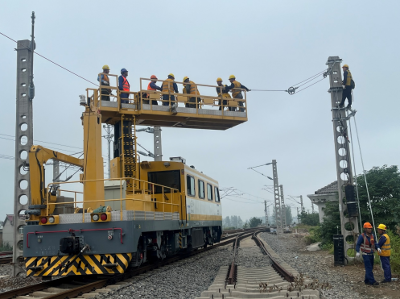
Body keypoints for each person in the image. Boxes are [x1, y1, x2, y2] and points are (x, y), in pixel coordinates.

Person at [356, 222, 379, 286]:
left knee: (370, 268)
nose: (370, 229)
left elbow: (375, 243)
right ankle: (372, 281)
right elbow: (358, 244)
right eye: (369, 228)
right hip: (365, 254)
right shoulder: (362, 236)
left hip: (371, 254)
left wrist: (378, 248)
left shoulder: (372, 236)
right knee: (368, 268)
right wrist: (357, 251)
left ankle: (367, 280)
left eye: (370, 228)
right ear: (365, 229)